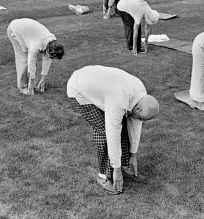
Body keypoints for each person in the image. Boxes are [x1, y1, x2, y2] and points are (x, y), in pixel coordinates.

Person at [66, 65, 160, 194]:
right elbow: (112, 132)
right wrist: (116, 169)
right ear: (138, 109)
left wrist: (133, 154)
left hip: (101, 86)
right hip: (79, 90)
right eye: (142, 118)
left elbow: (135, 124)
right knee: (104, 131)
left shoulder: (141, 94)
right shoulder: (120, 98)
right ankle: (103, 176)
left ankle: (123, 164)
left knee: (124, 122)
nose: (141, 121)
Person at [7, 18, 65, 95]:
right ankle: (23, 87)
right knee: (24, 60)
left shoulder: (52, 42)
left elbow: (47, 60)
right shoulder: (36, 46)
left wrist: (43, 79)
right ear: (47, 49)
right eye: (51, 57)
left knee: (31, 60)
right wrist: (30, 87)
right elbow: (32, 64)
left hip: (28, 31)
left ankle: (32, 85)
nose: (51, 58)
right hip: (15, 29)